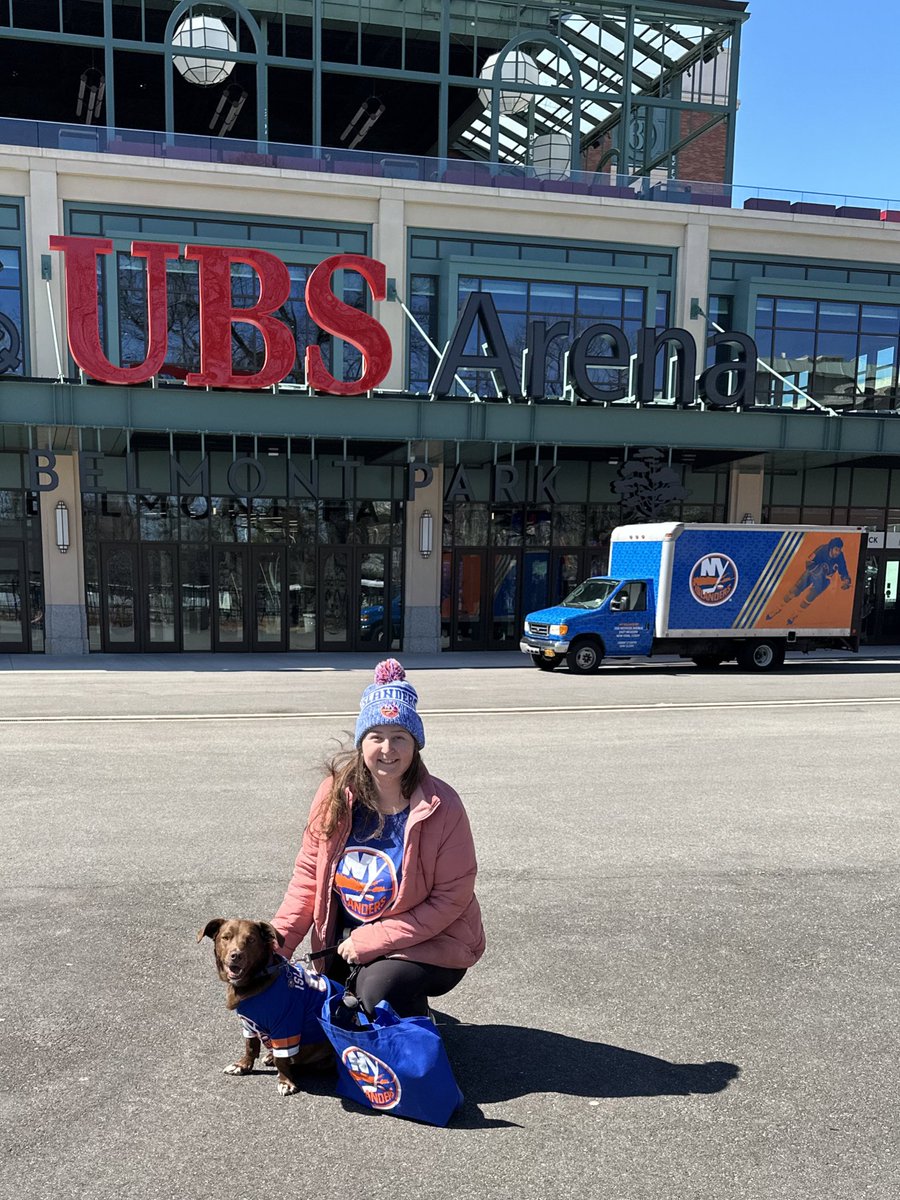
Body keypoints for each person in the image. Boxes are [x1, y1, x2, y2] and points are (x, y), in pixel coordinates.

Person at [271, 659, 485, 1018]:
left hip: (430, 941)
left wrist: (372, 940)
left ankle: (414, 1049)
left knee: (380, 989)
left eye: (400, 737)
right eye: (377, 736)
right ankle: (381, 1006)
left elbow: (450, 900)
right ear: (362, 743)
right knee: (332, 1012)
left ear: (415, 744)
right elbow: (309, 878)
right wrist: (277, 946)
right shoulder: (334, 794)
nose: (388, 749)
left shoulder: (442, 806)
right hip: (348, 939)